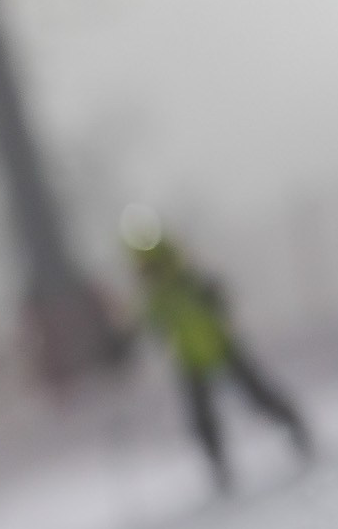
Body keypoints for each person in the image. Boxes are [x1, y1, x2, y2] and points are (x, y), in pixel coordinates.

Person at [121, 206, 313, 489]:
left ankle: (292, 427)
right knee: (205, 416)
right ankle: (221, 464)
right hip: (193, 358)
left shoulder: (182, 282)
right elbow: (148, 326)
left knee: (253, 396)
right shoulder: (163, 293)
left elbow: (213, 299)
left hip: (219, 347)